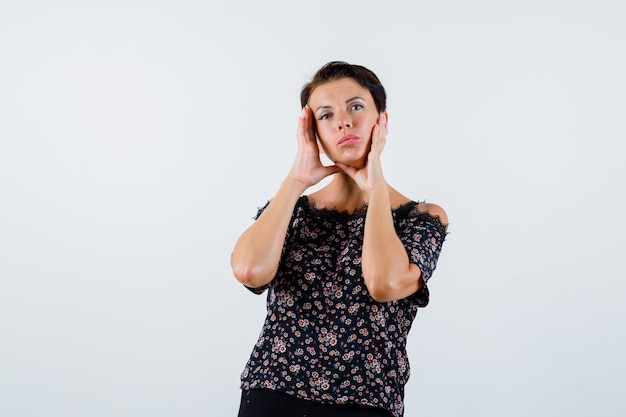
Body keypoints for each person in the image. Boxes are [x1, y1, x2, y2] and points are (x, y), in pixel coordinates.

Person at [231, 61, 448, 417]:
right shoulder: (292, 210)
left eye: (356, 107)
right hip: (272, 396)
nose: (343, 121)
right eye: (326, 115)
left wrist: (376, 190)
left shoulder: (421, 218)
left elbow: (384, 282)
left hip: (365, 404)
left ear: (383, 121)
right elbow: (248, 270)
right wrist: (296, 180)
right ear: (313, 132)